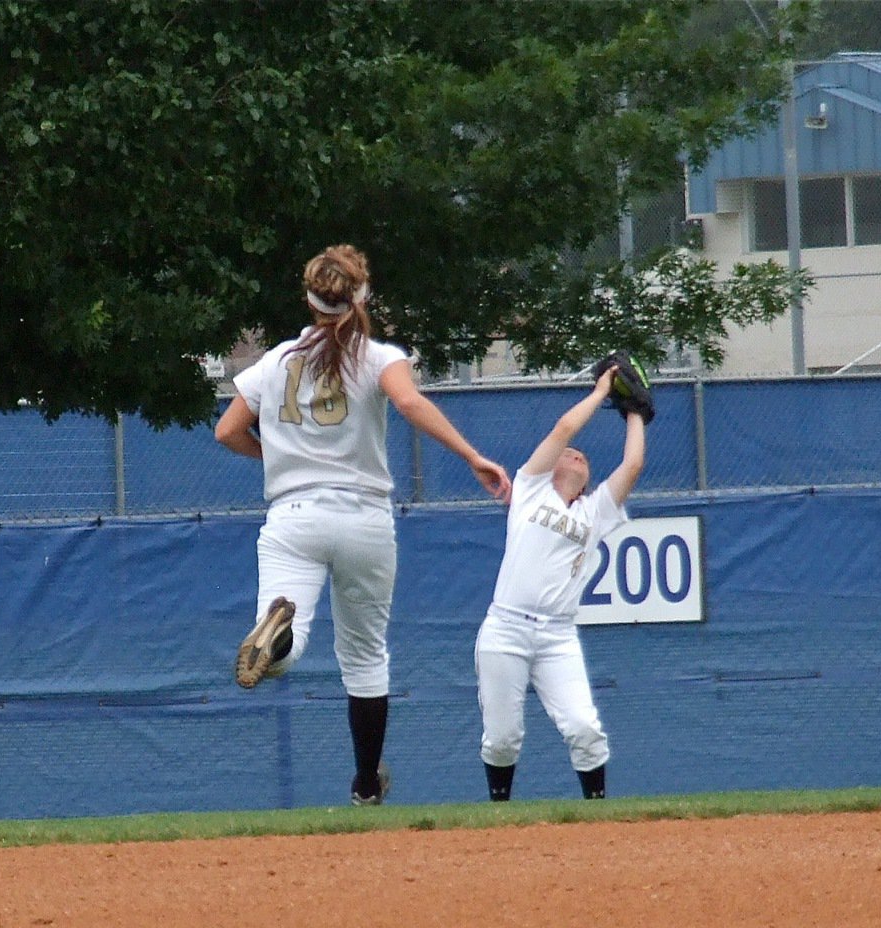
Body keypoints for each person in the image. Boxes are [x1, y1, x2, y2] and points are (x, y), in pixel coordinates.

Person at [215, 244, 511, 806]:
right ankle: (364, 785)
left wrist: (278, 456)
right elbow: (408, 404)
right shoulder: (378, 357)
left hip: (292, 515)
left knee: (292, 644)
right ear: (359, 299)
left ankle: (275, 637)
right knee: (365, 657)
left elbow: (226, 431)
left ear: (309, 300)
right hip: (362, 517)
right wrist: (473, 457)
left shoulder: (275, 360)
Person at [475, 366, 646, 802]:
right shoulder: (531, 489)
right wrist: (603, 389)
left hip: (557, 635)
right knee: (502, 738)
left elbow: (633, 463)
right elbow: (566, 425)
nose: (576, 453)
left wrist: (635, 412)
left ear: (588, 481)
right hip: (506, 627)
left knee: (586, 728)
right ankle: (498, 819)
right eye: (567, 453)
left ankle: (597, 816)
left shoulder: (594, 513)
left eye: (583, 458)